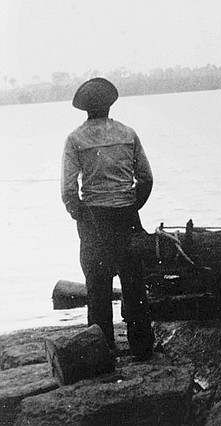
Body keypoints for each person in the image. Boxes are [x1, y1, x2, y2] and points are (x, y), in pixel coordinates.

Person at [61, 77, 155, 361]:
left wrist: (80, 214)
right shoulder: (128, 134)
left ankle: (101, 350)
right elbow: (146, 179)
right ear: (110, 105)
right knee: (134, 281)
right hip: (126, 215)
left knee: (97, 285)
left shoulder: (75, 139)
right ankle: (141, 347)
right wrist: (130, 206)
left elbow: (68, 189)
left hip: (94, 219)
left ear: (85, 109)